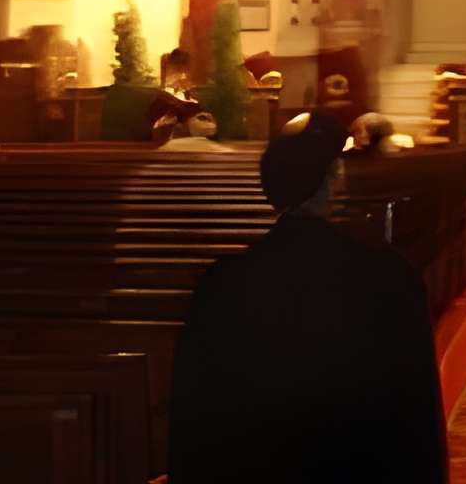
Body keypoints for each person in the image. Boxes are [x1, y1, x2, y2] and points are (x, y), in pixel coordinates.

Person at [167, 111, 448, 483]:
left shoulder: (222, 284)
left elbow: (195, 419)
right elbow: (417, 416)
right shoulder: (386, 276)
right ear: (336, 179)